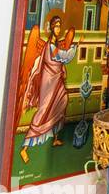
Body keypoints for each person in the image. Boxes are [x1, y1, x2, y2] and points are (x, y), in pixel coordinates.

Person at [17, 12, 79, 162]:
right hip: (49, 81)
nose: (58, 29)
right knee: (44, 111)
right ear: (51, 28)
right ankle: (25, 147)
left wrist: (62, 69)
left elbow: (59, 62)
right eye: (56, 26)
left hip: (56, 80)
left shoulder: (55, 43)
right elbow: (62, 57)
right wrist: (74, 48)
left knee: (62, 102)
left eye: (59, 26)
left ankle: (55, 138)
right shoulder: (50, 45)